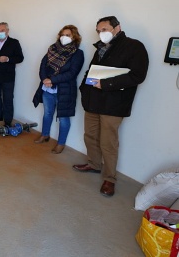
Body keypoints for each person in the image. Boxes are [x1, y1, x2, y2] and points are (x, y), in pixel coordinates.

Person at [74, 16, 148, 197]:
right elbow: (91, 71)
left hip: (114, 104)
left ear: (117, 27)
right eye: (99, 31)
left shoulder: (134, 46)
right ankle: (93, 164)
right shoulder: (100, 47)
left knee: (108, 142)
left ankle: (110, 178)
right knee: (90, 135)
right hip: (93, 101)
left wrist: (106, 84)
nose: (101, 34)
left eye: (105, 29)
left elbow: (138, 76)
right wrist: (83, 89)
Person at [32, 25, 84, 154]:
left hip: (65, 91)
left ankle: (61, 143)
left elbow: (72, 73)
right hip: (47, 89)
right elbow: (43, 65)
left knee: (63, 118)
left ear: (74, 37)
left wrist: (53, 80)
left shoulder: (77, 53)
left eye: (68, 35)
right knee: (47, 113)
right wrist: (45, 79)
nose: (64, 37)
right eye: (62, 34)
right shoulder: (52, 49)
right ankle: (45, 135)